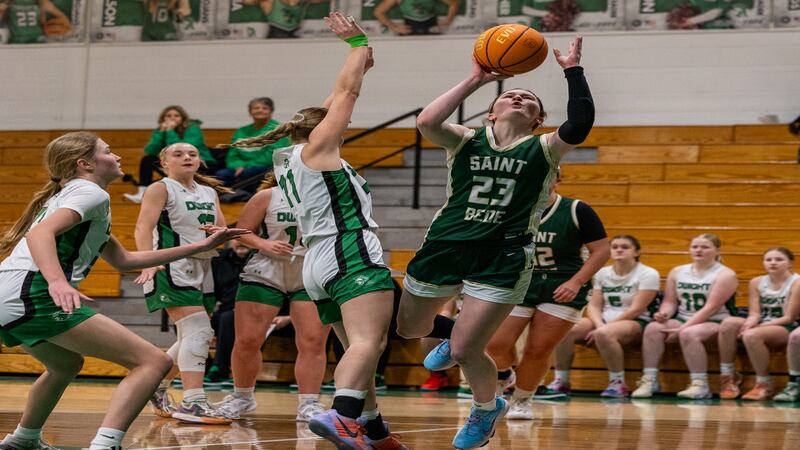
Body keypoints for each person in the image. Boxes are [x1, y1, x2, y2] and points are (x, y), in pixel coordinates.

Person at [396, 34, 593, 448]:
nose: (519, 97)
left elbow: (579, 124)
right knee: (409, 328)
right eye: (511, 94)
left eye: (530, 99)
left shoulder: (545, 148)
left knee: (467, 350)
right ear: (491, 113)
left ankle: (486, 409)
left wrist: (573, 71)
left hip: (503, 255)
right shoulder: (465, 139)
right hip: (446, 245)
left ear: (538, 119)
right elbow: (427, 122)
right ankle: (457, 333)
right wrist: (476, 79)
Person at [224, 12, 405, 449]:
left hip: (316, 262)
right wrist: (356, 45)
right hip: (347, 248)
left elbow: (333, 100)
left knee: (360, 347)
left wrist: (361, 65)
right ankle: (342, 415)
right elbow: (345, 93)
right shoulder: (320, 150)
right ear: (322, 128)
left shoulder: (292, 156)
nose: (343, 122)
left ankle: (374, 429)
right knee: (370, 341)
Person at [0, 132, 246, 450]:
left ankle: (23, 439)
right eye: (108, 151)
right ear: (85, 164)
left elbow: (124, 260)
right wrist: (57, 281)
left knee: (65, 365)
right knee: (153, 363)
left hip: (9, 293)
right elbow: (40, 235)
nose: (117, 157)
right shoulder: (89, 192)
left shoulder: (76, 195)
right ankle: (106, 444)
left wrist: (200, 245)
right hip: (31, 291)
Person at [484, 172, 609, 420]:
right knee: (494, 344)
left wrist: (576, 282)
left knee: (537, 349)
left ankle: (522, 400)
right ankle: (504, 375)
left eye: (547, 175)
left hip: (562, 285)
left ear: (557, 181)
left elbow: (602, 251)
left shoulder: (577, 209)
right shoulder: (512, 210)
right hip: (520, 283)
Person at [132, 143, 235, 425]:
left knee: (190, 336)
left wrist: (219, 232)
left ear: (200, 161)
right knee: (199, 331)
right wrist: (147, 261)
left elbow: (221, 228)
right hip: (169, 265)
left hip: (202, 265)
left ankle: (155, 386)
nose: (187, 157)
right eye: (178, 154)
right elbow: (143, 226)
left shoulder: (209, 192)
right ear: (164, 163)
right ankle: (193, 402)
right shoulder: (160, 188)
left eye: (192, 154)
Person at [214, 173, 330, 422]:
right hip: (267, 268)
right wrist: (264, 244)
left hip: (311, 269)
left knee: (313, 341)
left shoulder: (328, 196)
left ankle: (309, 403)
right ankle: (242, 397)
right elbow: (241, 232)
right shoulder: (268, 196)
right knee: (247, 339)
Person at [541, 235, 658, 401]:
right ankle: (561, 380)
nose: (619, 250)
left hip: (635, 322)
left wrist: (603, 328)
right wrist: (599, 324)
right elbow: (594, 305)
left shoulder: (648, 273)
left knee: (604, 334)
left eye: (625, 247)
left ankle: (617, 383)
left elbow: (636, 309)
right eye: (615, 247)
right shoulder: (602, 273)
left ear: (636, 252)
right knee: (565, 328)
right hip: (601, 321)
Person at [632, 233, 738, 399]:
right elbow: (670, 302)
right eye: (695, 247)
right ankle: (649, 380)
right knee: (653, 328)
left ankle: (700, 384)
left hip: (715, 320)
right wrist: (664, 313)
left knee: (689, 333)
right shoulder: (678, 271)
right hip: (684, 317)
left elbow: (711, 308)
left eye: (705, 247)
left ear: (717, 250)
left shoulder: (726, 274)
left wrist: (683, 328)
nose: (699, 250)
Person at [717, 247, 800, 400]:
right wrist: (749, 323)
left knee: (751, 335)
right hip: (764, 322)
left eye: (779, 259)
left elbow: (789, 317)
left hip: (787, 326)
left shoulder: (797, 282)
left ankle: (764, 383)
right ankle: (728, 375)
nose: (773, 263)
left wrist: (757, 327)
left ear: (790, 263)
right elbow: (754, 313)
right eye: (768, 260)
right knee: (728, 323)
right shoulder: (756, 282)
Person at [124, 106, 216, 203]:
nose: (172, 118)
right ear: (163, 118)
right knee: (148, 159)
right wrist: (160, 133)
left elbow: (182, 149)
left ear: (183, 118)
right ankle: (143, 192)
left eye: (176, 116)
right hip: (176, 164)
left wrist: (170, 131)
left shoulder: (193, 129)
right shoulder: (161, 130)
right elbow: (150, 151)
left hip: (200, 165)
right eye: (168, 116)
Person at [216, 97, 291, 193]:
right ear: (250, 112)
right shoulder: (241, 131)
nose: (260, 110)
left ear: (271, 111)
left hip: (266, 167)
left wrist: (246, 166)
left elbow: (272, 156)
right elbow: (232, 155)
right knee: (221, 174)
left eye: (265, 108)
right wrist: (238, 165)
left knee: (248, 173)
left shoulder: (279, 130)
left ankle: (247, 198)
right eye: (256, 108)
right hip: (240, 167)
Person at [205, 239, 253, 384]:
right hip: (222, 310)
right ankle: (204, 366)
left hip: (253, 313)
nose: (241, 242)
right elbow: (209, 287)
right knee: (189, 319)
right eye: (238, 238)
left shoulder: (260, 260)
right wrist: (207, 310)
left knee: (228, 318)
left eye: (246, 238)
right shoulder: (218, 260)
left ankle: (220, 369)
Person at [373, 0, 458, 35]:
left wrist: (448, 20)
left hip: (432, 30)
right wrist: (394, 27)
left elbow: (453, 4)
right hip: (409, 31)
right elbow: (378, 12)